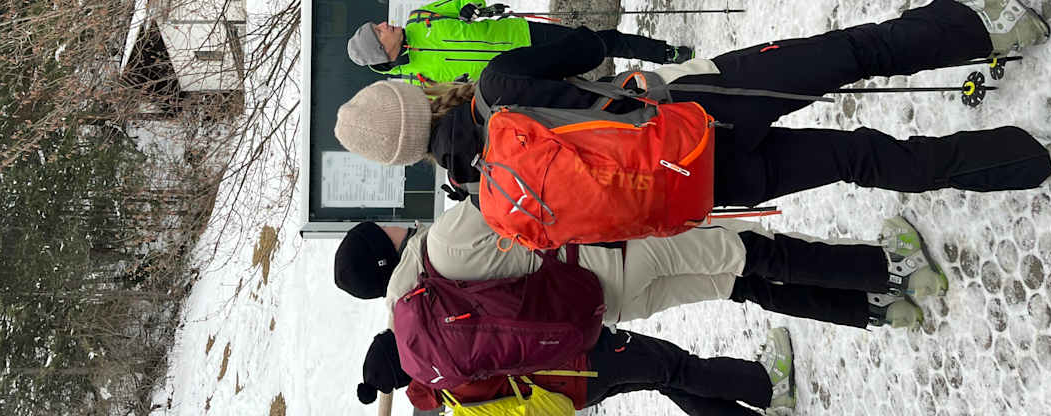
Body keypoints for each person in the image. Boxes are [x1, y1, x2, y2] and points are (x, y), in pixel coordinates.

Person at [335, 0, 1051, 214]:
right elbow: (589, 49)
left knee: (855, 160)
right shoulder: (495, 84)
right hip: (696, 113)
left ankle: (1030, 161)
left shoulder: (489, 197)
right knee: (848, 54)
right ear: (416, 96)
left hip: (694, 188)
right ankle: (985, 26)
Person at [334, 205, 951, 331]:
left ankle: (879, 313)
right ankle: (892, 270)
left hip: (607, 306)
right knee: (748, 250)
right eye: (378, 230)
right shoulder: (442, 242)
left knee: (741, 285)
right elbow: (524, 199)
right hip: (619, 251)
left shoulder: (419, 320)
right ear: (383, 249)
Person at [355, 325, 797, 416]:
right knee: (675, 366)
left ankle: (760, 398)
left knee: (664, 378)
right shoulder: (450, 362)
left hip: (578, 391)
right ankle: (767, 385)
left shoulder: (437, 393)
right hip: (580, 363)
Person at [347, 0, 692, 84]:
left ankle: (667, 54)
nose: (384, 24)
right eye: (378, 32)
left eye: (378, 24)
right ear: (381, 52)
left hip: (525, 33)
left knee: (598, 42)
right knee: (585, 87)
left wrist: (471, 8)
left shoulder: (421, 17)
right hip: (521, 73)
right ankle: (658, 90)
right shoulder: (416, 80)